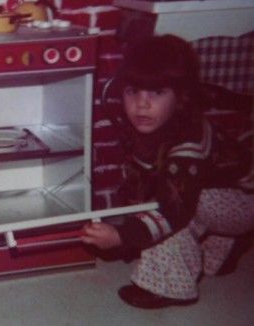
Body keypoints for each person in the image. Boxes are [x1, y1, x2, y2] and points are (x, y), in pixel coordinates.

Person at [81, 34, 254, 309]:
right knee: (161, 199)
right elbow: (139, 183)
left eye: (157, 93)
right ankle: (223, 245)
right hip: (220, 196)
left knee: (168, 206)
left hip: (243, 202)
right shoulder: (152, 128)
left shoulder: (188, 144)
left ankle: (170, 286)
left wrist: (122, 238)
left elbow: (172, 209)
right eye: (132, 92)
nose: (142, 104)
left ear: (180, 96)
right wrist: (129, 236)